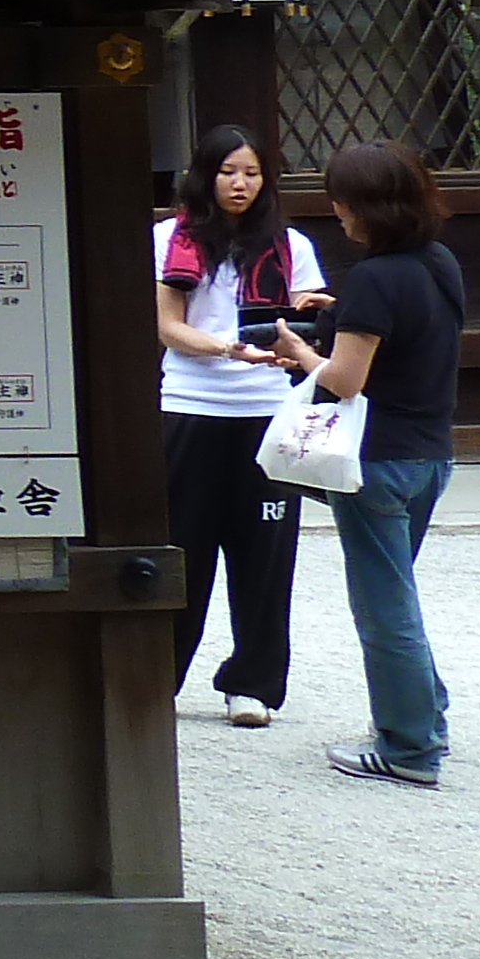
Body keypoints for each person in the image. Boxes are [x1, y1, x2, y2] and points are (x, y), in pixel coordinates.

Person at [261, 142, 467, 789]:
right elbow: (405, 338)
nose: (337, 211)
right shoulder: (439, 262)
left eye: (341, 201)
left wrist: (299, 352)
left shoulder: (376, 277)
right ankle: (426, 715)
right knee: (397, 591)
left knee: (384, 606)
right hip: (431, 454)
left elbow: (346, 380)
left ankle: (408, 748)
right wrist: (340, 316)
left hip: (375, 462)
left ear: (358, 207)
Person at [153, 126, 326, 726]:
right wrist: (228, 350)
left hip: (267, 412)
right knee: (185, 548)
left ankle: (252, 683)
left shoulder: (290, 245)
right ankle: (158, 678)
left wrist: (308, 324)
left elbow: (307, 323)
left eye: (251, 173)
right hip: (191, 407)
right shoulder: (166, 239)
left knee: (265, 552)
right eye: (228, 171)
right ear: (204, 175)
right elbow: (167, 326)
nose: (240, 183)